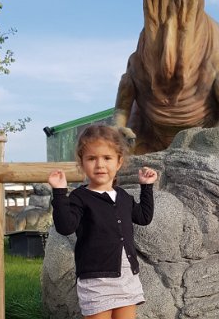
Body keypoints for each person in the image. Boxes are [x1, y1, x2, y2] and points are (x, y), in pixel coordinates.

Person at [48, 125, 157, 319]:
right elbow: (65, 227)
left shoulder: (123, 196)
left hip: (127, 278)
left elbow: (144, 217)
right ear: (82, 162)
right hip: (95, 280)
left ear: (119, 162)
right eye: (92, 158)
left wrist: (146, 187)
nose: (100, 165)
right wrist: (59, 192)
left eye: (107, 158)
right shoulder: (80, 197)